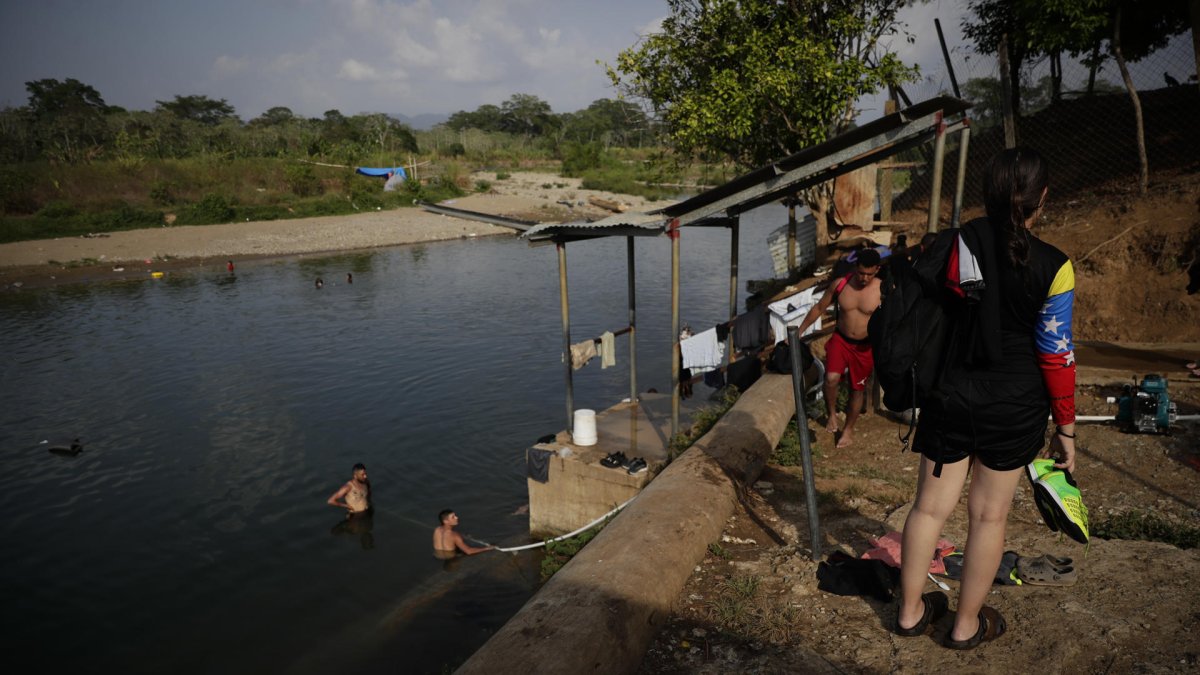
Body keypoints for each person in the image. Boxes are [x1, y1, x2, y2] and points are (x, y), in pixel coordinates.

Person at [894, 147, 1077, 649]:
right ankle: (965, 625)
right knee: (989, 516)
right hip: (1015, 405)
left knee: (928, 510)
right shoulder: (1057, 267)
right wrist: (1066, 428)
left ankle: (909, 614)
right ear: (1042, 197)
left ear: (990, 194)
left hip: (950, 395)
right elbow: (1057, 354)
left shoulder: (957, 246)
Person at [794, 248, 883, 448]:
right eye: (861, 272)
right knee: (831, 378)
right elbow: (819, 308)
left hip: (864, 347)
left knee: (857, 390)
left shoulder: (883, 290)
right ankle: (832, 414)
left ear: (877, 270)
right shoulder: (841, 284)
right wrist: (799, 331)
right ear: (855, 267)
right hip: (840, 340)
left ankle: (848, 429)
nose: (864, 278)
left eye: (869, 274)